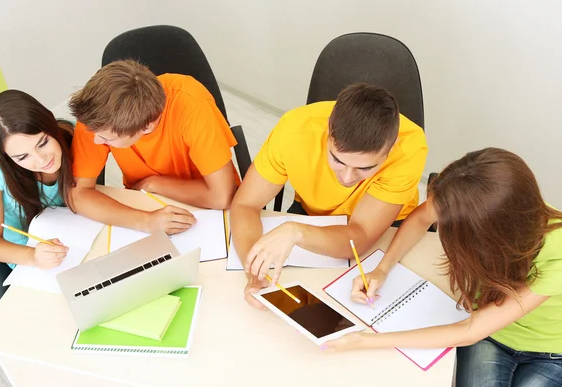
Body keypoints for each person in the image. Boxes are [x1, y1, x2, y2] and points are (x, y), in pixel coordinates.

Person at [325, 148, 562, 387]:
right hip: (491, 338)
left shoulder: (556, 252)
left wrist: (365, 340)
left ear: (490, 234)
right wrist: (382, 269)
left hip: (548, 353)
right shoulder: (488, 203)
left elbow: (471, 329)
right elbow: (421, 218)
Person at [230, 83, 428, 308]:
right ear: (327, 135)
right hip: (313, 213)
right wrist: (256, 272)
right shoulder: (294, 129)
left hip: (382, 229)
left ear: (391, 149)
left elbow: (360, 234)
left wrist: (296, 232)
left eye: (365, 168)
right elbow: (246, 203)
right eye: (337, 160)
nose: (347, 177)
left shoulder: (409, 147)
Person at [69, 60, 240, 235]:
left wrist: (153, 184)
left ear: (147, 127)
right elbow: (78, 195)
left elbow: (222, 197)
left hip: (206, 206)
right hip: (144, 203)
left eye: (107, 139)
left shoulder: (192, 104)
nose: (96, 141)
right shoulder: (95, 117)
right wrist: (145, 221)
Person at [0, 90, 72, 322]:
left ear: (50, 123)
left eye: (43, 143)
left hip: (43, 234)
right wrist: (32, 256)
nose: (42, 160)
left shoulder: (71, 137)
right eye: (22, 157)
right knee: (8, 328)